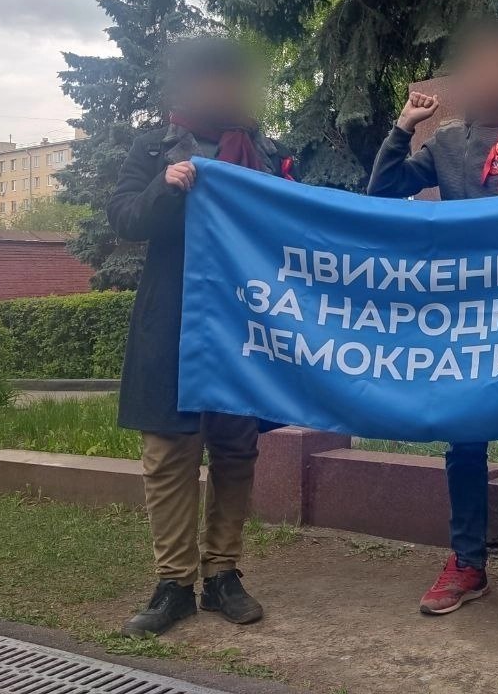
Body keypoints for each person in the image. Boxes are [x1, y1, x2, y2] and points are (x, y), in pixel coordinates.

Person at [367, 19, 498, 619]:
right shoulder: (446, 144)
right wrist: (403, 127)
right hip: (465, 317)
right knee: (464, 439)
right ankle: (468, 563)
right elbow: (383, 190)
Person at [109, 35, 293, 638]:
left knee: (236, 448)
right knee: (169, 453)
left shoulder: (266, 152)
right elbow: (124, 218)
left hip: (242, 321)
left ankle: (222, 574)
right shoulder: (154, 146)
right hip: (174, 320)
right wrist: (166, 186)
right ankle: (174, 584)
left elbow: (294, 227)